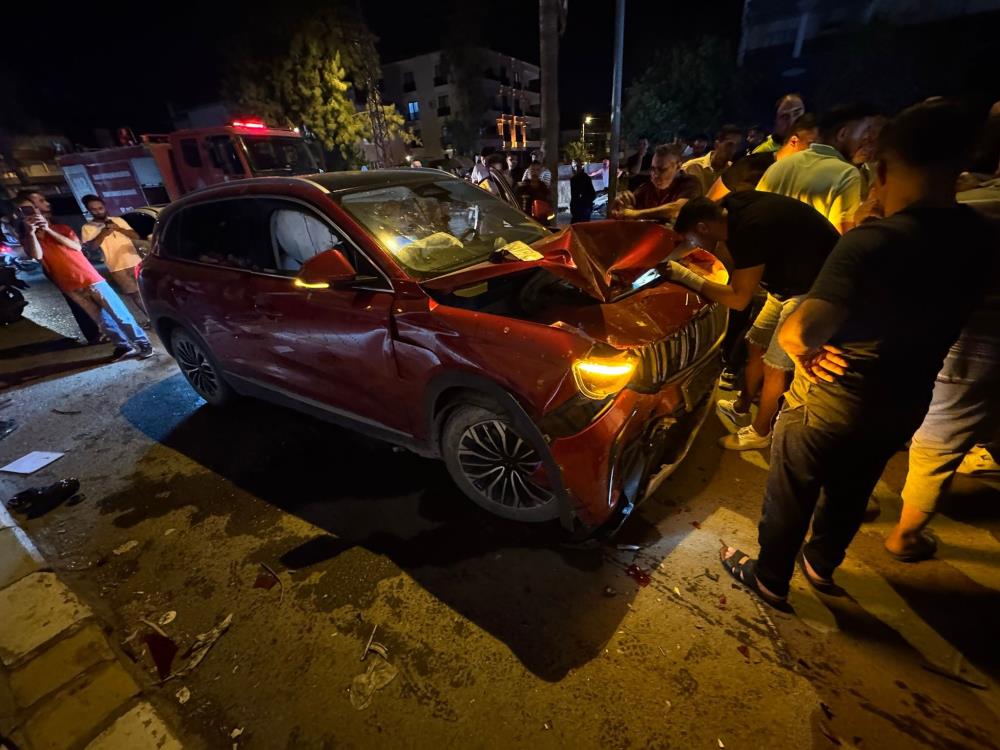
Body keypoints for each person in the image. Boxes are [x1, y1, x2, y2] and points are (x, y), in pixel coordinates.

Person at [718, 100, 999, 607]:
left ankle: (770, 576)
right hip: (907, 397)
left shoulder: (874, 241)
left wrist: (804, 350)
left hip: (832, 399)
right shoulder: (981, 234)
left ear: (883, 167)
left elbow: (800, 330)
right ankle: (822, 565)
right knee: (853, 487)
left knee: (793, 489)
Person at [883, 178, 1000, 561]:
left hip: (940, 332)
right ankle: (905, 536)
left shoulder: (959, 207)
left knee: (929, 430)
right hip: (979, 336)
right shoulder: (970, 207)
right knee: (940, 437)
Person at [667, 194, 840, 450]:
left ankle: (761, 432)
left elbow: (738, 299)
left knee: (775, 366)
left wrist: (686, 276)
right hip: (785, 283)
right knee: (755, 342)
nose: (695, 248)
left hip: (810, 289)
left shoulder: (748, 231)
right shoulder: (731, 206)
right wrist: (665, 261)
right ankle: (742, 407)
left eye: (693, 240)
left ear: (703, 227)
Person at [16, 190, 154, 360]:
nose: (31, 214)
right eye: (25, 212)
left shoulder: (61, 228)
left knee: (119, 314)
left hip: (91, 279)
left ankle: (142, 342)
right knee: (101, 320)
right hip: (68, 285)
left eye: (32, 210)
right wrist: (31, 233)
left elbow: (76, 247)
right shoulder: (29, 238)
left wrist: (48, 230)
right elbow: (36, 255)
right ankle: (123, 346)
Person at [758, 103, 882, 234]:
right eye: (866, 132)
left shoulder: (778, 167)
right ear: (842, 134)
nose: (871, 140)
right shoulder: (846, 174)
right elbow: (842, 239)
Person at [707, 113, 819, 200]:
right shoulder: (750, 165)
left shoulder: (808, 181)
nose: (817, 153)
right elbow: (710, 203)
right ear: (794, 141)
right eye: (812, 145)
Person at [80, 195, 148, 326]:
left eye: (100, 208)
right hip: (116, 267)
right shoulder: (87, 228)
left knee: (148, 292)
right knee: (135, 295)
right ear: (89, 211)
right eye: (94, 209)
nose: (99, 211)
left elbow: (136, 236)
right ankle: (150, 318)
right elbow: (92, 248)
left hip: (136, 261)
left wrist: (119, 229)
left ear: (104, 207)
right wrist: (103, 233)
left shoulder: (118, 220)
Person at [611, 144, 703, 223]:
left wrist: (635, 214)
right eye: (653, 169)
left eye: (662, 170)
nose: (655, 175)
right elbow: (626, 207)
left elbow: (677, 209)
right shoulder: (648, 187)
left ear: (678, 166)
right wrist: (621, 201)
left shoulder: (690, 184)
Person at [683, 125, 744, 195]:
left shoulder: (734, 172)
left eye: (737, 146)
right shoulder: (691, 167)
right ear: (716, 144)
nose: (733, 150)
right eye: (729, 145)